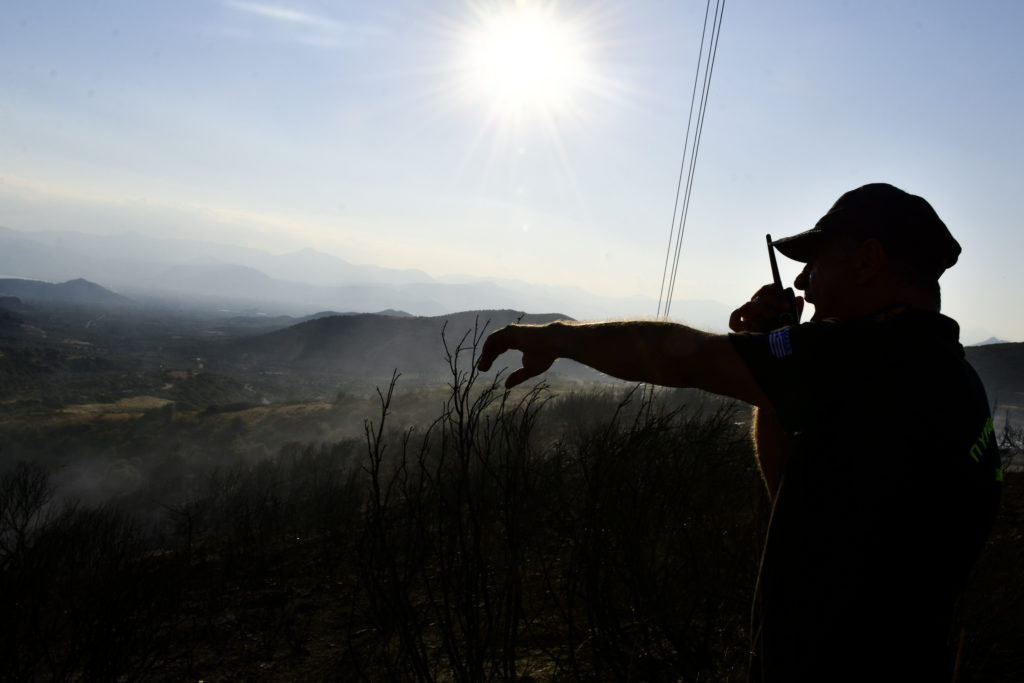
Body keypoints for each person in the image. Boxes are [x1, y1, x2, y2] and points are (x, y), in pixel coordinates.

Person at [475, 183, 1003, 681]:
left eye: (815, 261)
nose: (801, 282)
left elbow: (691, 360)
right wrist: (778, 368)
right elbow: (791, 493)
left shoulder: (867, 357)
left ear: (867, 260)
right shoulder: (950, 376)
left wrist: (559, 337)